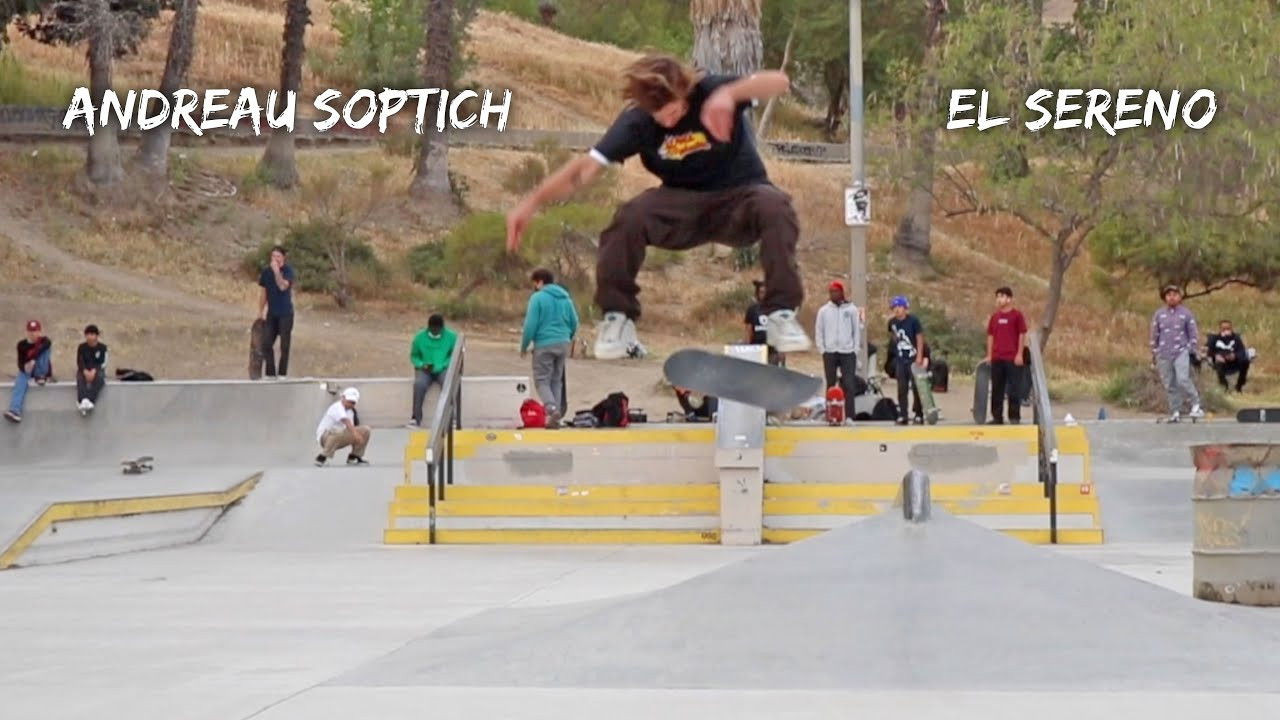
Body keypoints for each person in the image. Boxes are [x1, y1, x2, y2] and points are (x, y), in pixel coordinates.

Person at [505, 54, 812, 361]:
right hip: (681, 206)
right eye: (660, 117)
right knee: (629, 218)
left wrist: (728, 95)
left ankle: (781, 313)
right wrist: (531, 202)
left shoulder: (709, 89)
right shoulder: (637, 122)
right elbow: (583, 170)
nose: (668, 121)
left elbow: (779, 82)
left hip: (740, 199)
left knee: (776, 205)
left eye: (675, 111)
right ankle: (617, 317)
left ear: (684, 93)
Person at [521, 268, 580, 428]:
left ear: (540, 281)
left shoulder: (537, 298)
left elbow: (530, 325)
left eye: (535, 283)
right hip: (563, 343)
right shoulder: (566, 298)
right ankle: (556, 417)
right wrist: (567, 338)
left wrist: (524, 345)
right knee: (556, 380)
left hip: (544, 344)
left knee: (541, 380)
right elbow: (575, 322)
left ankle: (551, 408)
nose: (534, 287)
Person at [1149, 284, 1204, 422]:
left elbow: (1193, 332)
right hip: (1163, 352)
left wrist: (1191, 347)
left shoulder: (1186, 313)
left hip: (1181, 351)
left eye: (1174, 294)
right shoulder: (1159, 314)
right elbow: (1154, 333)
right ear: (1165, 298)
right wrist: (1154, 350)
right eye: (1168, 295)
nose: (1171, 297)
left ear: (1179, 297)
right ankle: (1175, 411)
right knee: (1169, 383)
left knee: (1182, 379)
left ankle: (1196, 404)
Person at [983, 286, 1028, 425]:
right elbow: (990, 336)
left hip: (1012, 358)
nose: (999, 299)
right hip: (997, 357)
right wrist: (989, 355)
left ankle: (1014, 416)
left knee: (1014, 388)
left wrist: (1019, 354)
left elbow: (1022, 334)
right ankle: (997, 417)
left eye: (1002, 296)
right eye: (997, 297)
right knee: (997, 388)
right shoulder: (995, 317)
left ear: (1009, 298)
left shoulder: (1017, 315)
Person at [815, 280, 862, 404]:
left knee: (849, 384)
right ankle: (831, 413)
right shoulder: (824, 311)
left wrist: (855, 349)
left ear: (841, 292)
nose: (833, 294)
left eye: (836, 291)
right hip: (830, 351)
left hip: (847, 351)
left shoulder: (851, 310)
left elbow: (856, 330)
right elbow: (819, 331)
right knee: (830, 383)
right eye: (831, 292)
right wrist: (822, 349)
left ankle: (849, 416)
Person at [408, 314, 458, 428]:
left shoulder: (451, 337)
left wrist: (444, 364)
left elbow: (454, 355)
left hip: (443, 368)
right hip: (425, 370)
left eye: (438, 330)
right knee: (419, 385)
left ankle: (452, 418)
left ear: (442, 328)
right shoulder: (419, 337)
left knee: (448, 384)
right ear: (429, 327)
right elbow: (414, 356)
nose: (436, 332)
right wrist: (421, 364)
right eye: (433, 330)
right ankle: (415, 418)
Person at [258, 245, 297, 379]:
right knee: (266, 343)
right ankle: (270, 373)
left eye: (278, 256)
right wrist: (260, 311)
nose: (275, 259)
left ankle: (282, 374)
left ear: (283, 258)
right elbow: (264, 292)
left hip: (285, 313)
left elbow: (282, 286)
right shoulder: (266, 272)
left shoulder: (288, 271)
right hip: (272, 313)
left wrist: (276, 272)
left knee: (284, 345)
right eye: (273, 256)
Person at [5, 319, 53, 424]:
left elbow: (46, 345)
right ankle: (15, 410)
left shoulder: (45, 341)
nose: (33, 334)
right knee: (20, 379)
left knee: (45, 351)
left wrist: (33, 359)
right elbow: (20, 362)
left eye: (35, 331)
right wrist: (24, 368)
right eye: (31, 331)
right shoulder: (21, 345)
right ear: (27, 332)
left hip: (42, 369)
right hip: (29, 371)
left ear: (39, 332)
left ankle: (41, 376)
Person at [887, 296, 926, 425]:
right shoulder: (892, 323)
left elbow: (919, 337)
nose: (897, 310)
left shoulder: (913, 321)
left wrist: (919, 355)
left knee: (916, 387)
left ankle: (918, 413)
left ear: (905, 308)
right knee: (901, 388)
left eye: (899, 307)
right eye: (895, 308)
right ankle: (903, 414)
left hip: (912, 358)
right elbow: (893, 337)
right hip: (900, 359)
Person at [315, 387, 371, 466]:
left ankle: (354, 456)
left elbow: (351, 428)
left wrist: (357, 437)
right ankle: (322, 457)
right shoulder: (336, 407)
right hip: (325, 438)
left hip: (339, 437)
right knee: (338, 431)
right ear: (343, 398)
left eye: (353, 403)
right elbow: (346, 421)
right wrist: (356, 435)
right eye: (349, 401)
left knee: (365, 430)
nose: (350, 404)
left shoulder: (351, 412)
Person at [743, 280, 783, 366]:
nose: (763, 295)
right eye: (761, 292)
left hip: (772, 350)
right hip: (756, 348)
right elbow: (748, 330)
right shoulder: (752, 309)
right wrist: (747, 347)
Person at [1206, 319, 1251, 393]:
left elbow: (1242, 351)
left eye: (1228, 328)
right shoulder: (1214, 339)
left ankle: (1239, 386)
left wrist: (1235, 355)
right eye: (1224, 329)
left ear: (1231, 328)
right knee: (1218, 363)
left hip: (1234, 362)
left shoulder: (1236, 338)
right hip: (1221, 362)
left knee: (1245, 361)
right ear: (1220, 329)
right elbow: (1209, 351)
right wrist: (1216, 356)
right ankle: (1224, 386)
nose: (1226, 330)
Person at [75, 324, 109, 414]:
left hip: (97, 370)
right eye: (88, 334)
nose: (90, 337)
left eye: (92, 334)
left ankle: (90, 400)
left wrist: (94, 370)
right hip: (85, 370)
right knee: (80, 377)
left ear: (96, 336)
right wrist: (85, 371)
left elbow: (104, 362)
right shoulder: (82, 347)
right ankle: (82, 400)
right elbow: (79, 361)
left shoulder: (102, 348)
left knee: (100, 378)